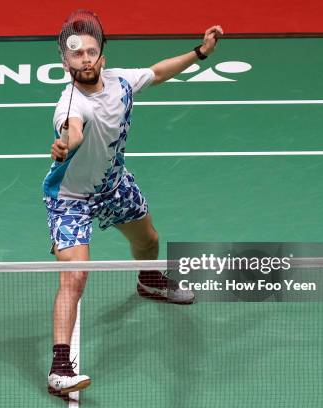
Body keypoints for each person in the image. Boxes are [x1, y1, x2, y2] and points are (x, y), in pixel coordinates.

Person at [43, 9, 223, 396]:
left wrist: (200, 52)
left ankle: (149, 280)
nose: (86, 59)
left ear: (102, 57)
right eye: (77, 54)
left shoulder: (120, 82)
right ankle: (59, 368)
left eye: (91, 51)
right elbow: (72, 130)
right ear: (66, 61)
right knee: (75, 277)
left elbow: (158, 72)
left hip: (113, 185)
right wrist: (65, 146)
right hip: (71, 199)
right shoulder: (70, 104)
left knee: (148, 241)